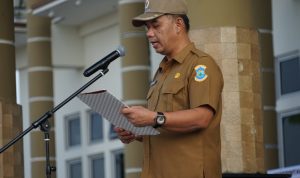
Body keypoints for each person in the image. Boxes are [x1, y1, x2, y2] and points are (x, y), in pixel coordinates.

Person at [114, 0, 224, 177]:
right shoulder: (162, 71)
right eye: (147, 27)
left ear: (178, 24)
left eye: (156, 25)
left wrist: (153, 117)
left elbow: (202, 117)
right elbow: (164, 125)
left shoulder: (200, 64)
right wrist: (136, 131)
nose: (149, 34)